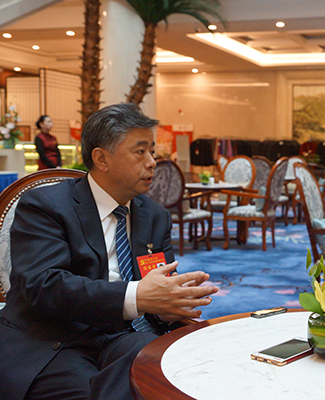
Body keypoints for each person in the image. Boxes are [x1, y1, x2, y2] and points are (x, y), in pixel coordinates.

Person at [0, 103, 219, 400]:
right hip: (54, 338)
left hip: (125, 336)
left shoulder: (154, 216)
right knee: (94, 391)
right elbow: (43, 286)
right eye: (140, 151)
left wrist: (170, 303)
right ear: (101, 158)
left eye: (152, 151)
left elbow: (157, 285)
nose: (152, 162)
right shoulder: (46, 205)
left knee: (166, 373)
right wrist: (137, 296)